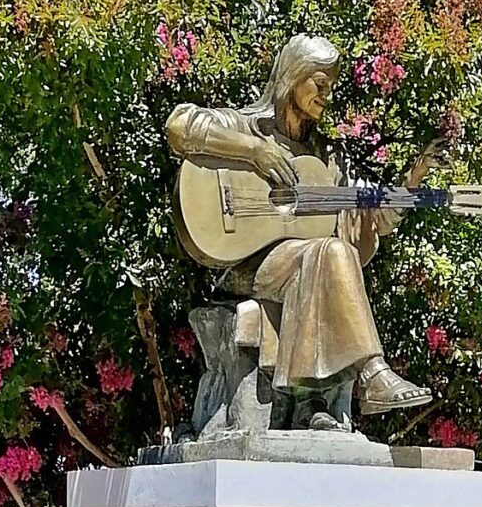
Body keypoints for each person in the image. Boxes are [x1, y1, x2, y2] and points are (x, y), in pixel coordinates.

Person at [167, 34, 444, 432]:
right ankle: (369, 374)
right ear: (291, 79)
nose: (326, 94)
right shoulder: (246, 126)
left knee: (331, 253)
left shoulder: (327, 160)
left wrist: (413, 182)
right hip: (248, 267)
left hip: (304, 265)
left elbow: (365, 225)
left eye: (332, 85)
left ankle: (310, 405)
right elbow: (180, 125)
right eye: (319, 82)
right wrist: (252, 151)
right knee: (326, 255)